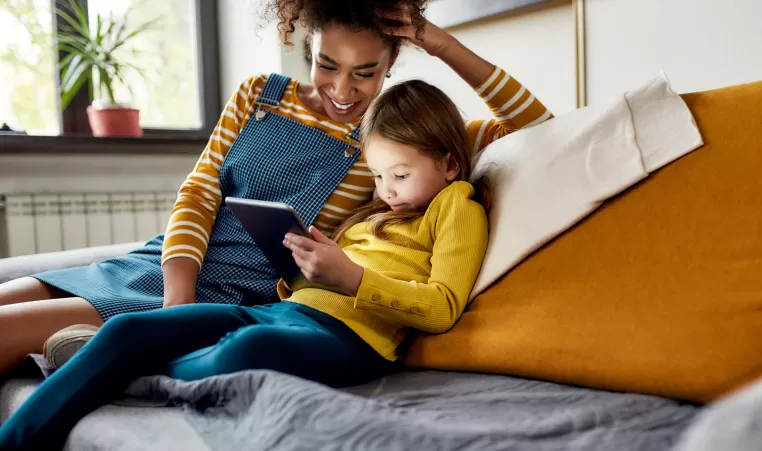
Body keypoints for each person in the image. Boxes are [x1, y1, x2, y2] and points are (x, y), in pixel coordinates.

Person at [0, 0, 553, 375]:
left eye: (365, 72)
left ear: (391, 64)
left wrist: (438, 41)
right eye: (327, 64)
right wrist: (177, 307)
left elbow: (537, 124)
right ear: (306, 49)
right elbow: (198, 193)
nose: (342, 88)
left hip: (237, 295)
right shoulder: (261, 92)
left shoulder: (400, 142)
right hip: (171, 269)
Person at [0, 79, 489, 450]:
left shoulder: (457, 206)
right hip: (286, 309)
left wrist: (351, 276)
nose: (387, 190)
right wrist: (305, 263)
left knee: (247, 347)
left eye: (400, 175)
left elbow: (443, 307)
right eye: (379, 175)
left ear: (448, 163)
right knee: (132, 328)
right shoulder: (374, 214)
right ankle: (18, 438)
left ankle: (121, 372)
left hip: (352, 338)